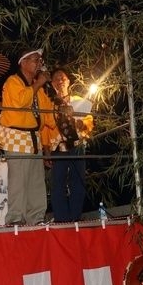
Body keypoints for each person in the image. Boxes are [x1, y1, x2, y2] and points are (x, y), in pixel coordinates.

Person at [0, 48, 56, 225]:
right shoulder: (13, 82)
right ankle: (16, 219)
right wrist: (38, 84)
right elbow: (20, 103)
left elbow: (48, 117)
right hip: (17, 137)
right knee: (19, 181)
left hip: (34, 138)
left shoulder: (38, 89)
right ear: (23, 62)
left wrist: (61, 109)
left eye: (40, 60)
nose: (39, 63)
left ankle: (36, 218)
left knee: (36, 181)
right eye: (34, 59)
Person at [41, 67, 94, 222]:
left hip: (76, 145)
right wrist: (45, 149)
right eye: (56, 79)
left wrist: (82, 126)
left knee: (78, 181)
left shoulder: (78, 100)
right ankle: (62, 218)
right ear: (52, 83)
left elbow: (89, 120)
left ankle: (75, 217)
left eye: (62, 78)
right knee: (57, 184)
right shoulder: (49, 104)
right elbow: (44, 127)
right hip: (57, 147)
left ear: (68, 81)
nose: (60, 81)